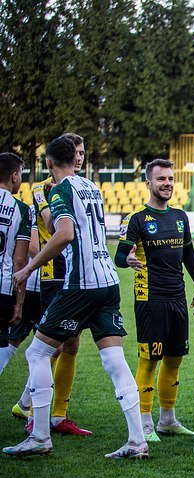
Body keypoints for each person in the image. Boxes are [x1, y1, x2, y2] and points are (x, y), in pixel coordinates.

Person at [4, 136, 146, 459]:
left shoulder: (60, 190)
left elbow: (64, 234)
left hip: (81, 283)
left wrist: (28, 269)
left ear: (49, 163)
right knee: (114, 360)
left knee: (37, 353)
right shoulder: (91, 187)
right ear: (74, 158)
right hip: (108, 281)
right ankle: (137, 440)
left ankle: (40, 436)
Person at [115, 158, 194, 443]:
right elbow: (120, 255)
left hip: (177, 298)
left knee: (174, 360)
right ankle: (144, 423)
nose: (167, 184)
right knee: (149, 361)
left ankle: (168, 420)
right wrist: (127, 259)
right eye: (161, 179)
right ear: (148, 183)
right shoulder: (136, 219)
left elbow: (188, 254)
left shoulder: (180, 217)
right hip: (150, 299)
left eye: (170, 179)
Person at [12, 133, 91, 436]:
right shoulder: (43, 189)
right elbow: (49, 226)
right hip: (54, 274)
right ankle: (31, 409)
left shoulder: (83, 187)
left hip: (78, 274)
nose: (79, 157)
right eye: (75, 152)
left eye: (82, 152)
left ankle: (58, 414)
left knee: (72, 343)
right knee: (51, 345)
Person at [0, 153, 32, 376]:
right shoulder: (20, 209)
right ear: (14, 176)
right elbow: (20, 260)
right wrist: (18, 303)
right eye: (21, 174)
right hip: (3, 290)